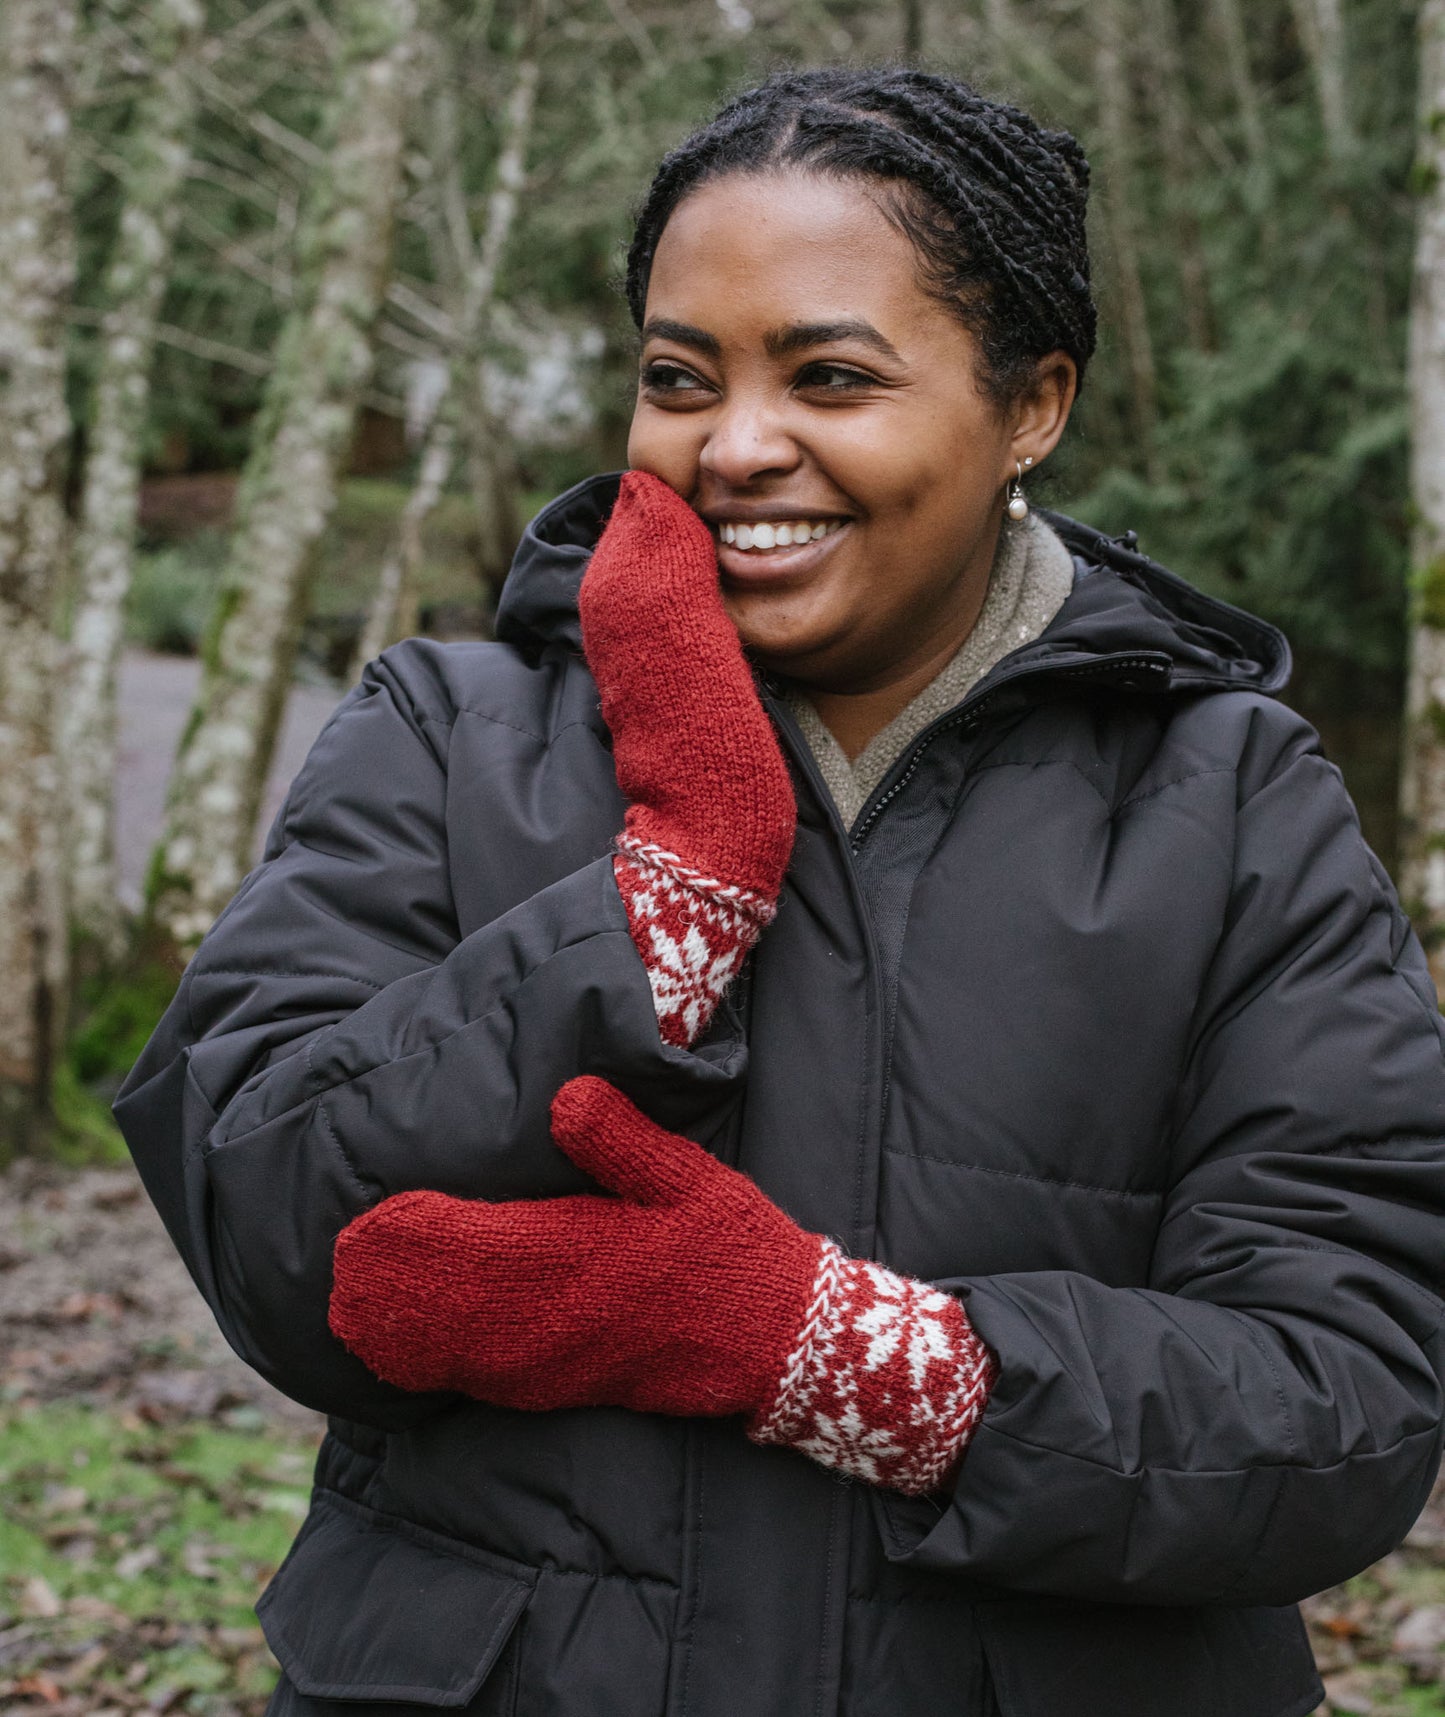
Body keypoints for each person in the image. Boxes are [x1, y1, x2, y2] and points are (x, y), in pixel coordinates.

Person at [116, 66, 1445, 1717]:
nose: (736, 445)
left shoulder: (1231, 803)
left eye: (831, 376)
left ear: (1031, 404)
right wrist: (658, 908)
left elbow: (1346, 1404)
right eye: (679, 378)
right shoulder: (445, 735)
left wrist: (823, 1347)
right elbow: (268, 1236)